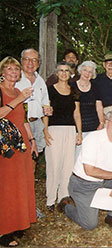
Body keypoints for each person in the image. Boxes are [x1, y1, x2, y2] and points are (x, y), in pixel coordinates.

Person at [57, 109, 112, 233]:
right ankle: (66, 206)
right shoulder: (93, 138)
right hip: (83, 184)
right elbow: (90, 170)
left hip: (102, 181)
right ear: (107, 122)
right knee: (90, 224)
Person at [0, 56, 38, 247]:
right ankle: (3, 231)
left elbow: (23, 119)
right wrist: (19, 99)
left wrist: (32, 140)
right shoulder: (3, 91)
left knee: (20, 183)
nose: (13, 73)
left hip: (21, 142)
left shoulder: (16, 90)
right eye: (9, 69)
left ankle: (17, 223)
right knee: (6, 185)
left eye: (16, 70)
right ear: (2, 72)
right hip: (5, 145)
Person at [43, 62, 82, 212]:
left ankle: (63, 197)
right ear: (56, 73)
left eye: (67, 70)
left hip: (70, 130)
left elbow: (76, 113)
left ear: (70, 73)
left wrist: (79, 132)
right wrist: (45, 131)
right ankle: (50, 199)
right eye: (61, 71)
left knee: (67, 165)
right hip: (54, 130)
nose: (64, 73)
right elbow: (46, 112)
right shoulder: (50, 90)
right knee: (54, 165)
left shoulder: (74, 91)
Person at [15, 48, 50, 156]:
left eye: (34, 60)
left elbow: (45, 106)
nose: (30, 63)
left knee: (34, 156)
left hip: (37, 124)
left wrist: (45, 130)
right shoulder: (14, 79)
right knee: (20, 158)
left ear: (39, 63)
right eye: (27, 59)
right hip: (20, 124)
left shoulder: (41, 81)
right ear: (21, 61)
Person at [71, 61, 103, 160]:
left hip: (93, 126)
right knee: (76, 156)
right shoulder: (71, 86)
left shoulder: (96, 87)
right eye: (85, 70)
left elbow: (99, 106)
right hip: (75, 127)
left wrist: (101, 123)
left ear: (93, 75)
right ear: (80, 71)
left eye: (90, 72)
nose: (87, 74)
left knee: (91, 156)